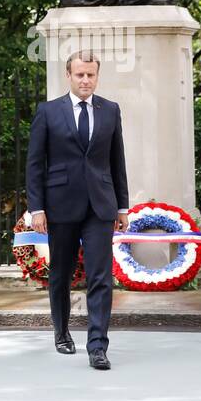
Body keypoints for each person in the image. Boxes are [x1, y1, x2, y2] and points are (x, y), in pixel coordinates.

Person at [25, 51, 129, 368]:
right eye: (80, 75)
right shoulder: (48, 111)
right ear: (68, 76)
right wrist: (37, 208)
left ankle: (97, 346)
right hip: (60, 205)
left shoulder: (109, 110)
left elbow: (117, 161)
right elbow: (35, 164)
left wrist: (122, 206)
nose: (86, 80)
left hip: (100, 206)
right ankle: (62, 331)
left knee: (100, 276)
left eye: (91, 75)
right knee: (61, 274)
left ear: (97, 77)